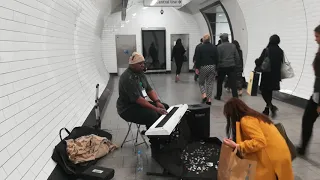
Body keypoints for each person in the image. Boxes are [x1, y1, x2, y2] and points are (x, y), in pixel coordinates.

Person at [222, 98, 294, 180]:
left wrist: (238, 146)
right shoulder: (254, 116)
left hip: (272, 158)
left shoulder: (246, 120)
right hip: (279, 153)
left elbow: (260, 141)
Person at [116, 52, 169, 130]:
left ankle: (158, 131)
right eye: (140, 63)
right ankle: (154, 137)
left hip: (138, 103)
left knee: (165, 106)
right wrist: (155, 108)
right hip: (127, 108)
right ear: (132, 65)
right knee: (152, 114)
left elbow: (149, 89)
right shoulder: (127, 78)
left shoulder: (140, 73)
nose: (143, 65)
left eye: (143, 63)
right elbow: (138, 100)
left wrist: (157, 102)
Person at [296, 25, 320, 156]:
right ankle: (302, 148)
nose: (315, 39)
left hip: (318, 95)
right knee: (307, 120)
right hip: (317, 93)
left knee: (307, 119)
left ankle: (302, 148)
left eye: (317, 36)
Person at [255, 35, 284, 118]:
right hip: (276, 75)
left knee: (263, 91)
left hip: (267, 74)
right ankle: (267, 109)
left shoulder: (267, 50)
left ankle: (271, 107)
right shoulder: (280, 51)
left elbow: (260, 61)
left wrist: (256, 61)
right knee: (269, 92)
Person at [195, 34, 219, 105]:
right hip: (212, 66)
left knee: (201, 82)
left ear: (203, 40)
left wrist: (197, 68)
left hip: (203, 67)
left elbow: (198, 59)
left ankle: (204, 95)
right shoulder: (214, 47)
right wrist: (216, 68)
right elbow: (217, 58)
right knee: (210, 83)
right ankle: (209, 99)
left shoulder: (200, 47)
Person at [215, 33, 240, 100]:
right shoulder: (233, 46)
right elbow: (237, 57)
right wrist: (236, 65)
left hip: (222, 67)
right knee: (233, 83)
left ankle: (218, 96)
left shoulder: (219, 47)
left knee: (219, 82)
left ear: (222, 39)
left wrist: (217, 67)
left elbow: (218, 58)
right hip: (231, 66)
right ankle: (235, 97)